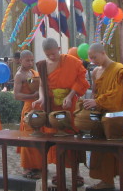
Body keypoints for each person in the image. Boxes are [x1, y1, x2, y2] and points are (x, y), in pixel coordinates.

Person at [33, 38, 89, 187]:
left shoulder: (72, 61)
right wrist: (42, 98)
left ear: (59, 48)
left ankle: (76, 172)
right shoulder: (43, 65)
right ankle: (59, 171)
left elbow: (82, 80)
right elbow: (42, 85)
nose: (51, 57)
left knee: (72, 137)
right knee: (55, 139)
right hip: (52, 107)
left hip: (69, 106)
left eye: (53, 53)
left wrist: (70, 96)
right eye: (48, 54)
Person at [83, 43, 123, 191]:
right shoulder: (96, 71)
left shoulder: (119, 70)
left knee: (116, 153)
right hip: (100, 117)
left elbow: (117, 94)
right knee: (101, 151)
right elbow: (95, 93)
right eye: (90, 58)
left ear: (103, 53)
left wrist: (97, 102)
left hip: (115, 118)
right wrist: (91, 104)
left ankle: (121, 183)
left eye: (94, 57)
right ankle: (106, 181)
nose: (92, 61)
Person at [13, 50, 41, 179]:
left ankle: (37, 165)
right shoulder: (19, 75)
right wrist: (32, 96)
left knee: (38, 136)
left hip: (38, 107)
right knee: (28, 137)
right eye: (27, 60)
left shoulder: (32, 72)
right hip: (29, 108)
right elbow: (16, 95)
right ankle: (26, 167)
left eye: (32, 60)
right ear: (21, 60)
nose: (30, 62)